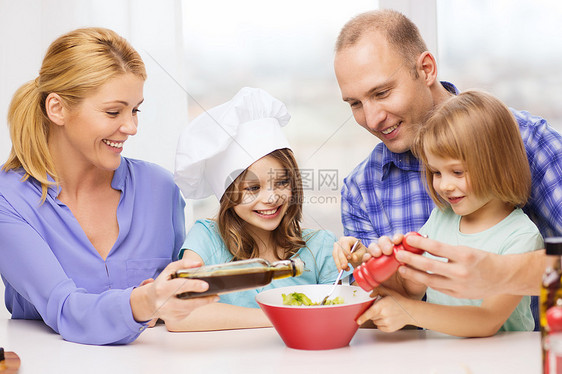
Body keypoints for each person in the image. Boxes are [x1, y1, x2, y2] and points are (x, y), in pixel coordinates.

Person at [0, 27, 217, 345]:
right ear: (57, 108)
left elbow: (179, 304)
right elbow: (64, 309)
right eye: (113, 111)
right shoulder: (9, 200)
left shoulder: (159, 189)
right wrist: (146, 299)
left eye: (135, 110)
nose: (131, 127)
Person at [333, 9, 562, 300]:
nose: (372, 118)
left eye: (382, 93)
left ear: (426, 69)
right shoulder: (361, 190)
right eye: (355, 103)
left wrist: (498, 271)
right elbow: (378, 312)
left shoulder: (528, 140)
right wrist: (367, 271)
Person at [338, 91, 543, 336]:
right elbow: (410, 288)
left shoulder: (521, 236)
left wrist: (408, 312)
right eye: (436, 172)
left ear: (498, 164)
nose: (444, 185)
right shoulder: (441, 219)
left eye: (457, 172)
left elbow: (487, 321)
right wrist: (369, 264)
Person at [168, 87, 346, 331]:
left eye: (282, 182)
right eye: (253, 188)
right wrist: (284, 318)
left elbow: (338, 317)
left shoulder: (321, 247)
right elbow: (179, 313)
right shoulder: (207, 240)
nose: (272, 197)